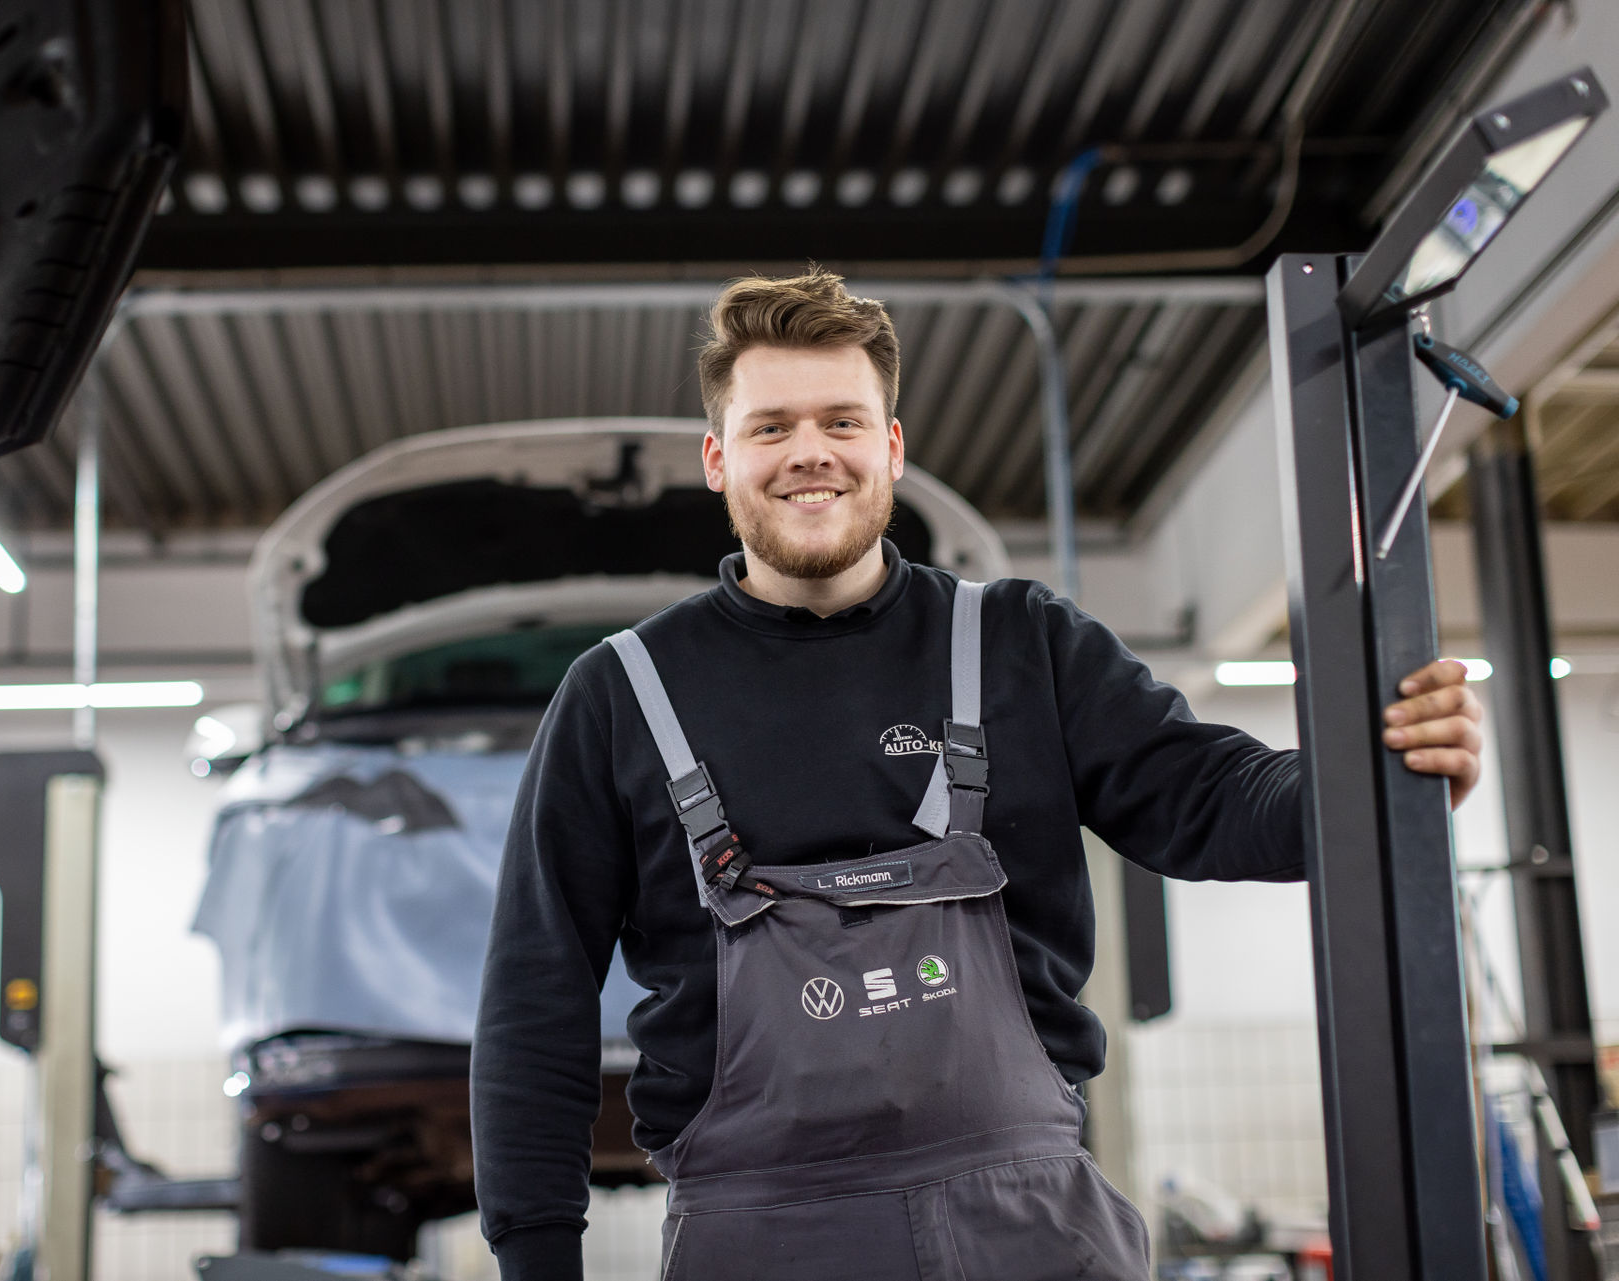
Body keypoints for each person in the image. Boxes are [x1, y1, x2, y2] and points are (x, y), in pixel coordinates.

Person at [469, 269, 1485, 1281]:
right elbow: (535, 996)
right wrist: (536, 1255)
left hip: (1030, 1232)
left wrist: (1375, 780)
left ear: (892, 447)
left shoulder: (1022, 643)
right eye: (770, 427)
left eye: (842, 421)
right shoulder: (619, 696)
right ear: (716, 458)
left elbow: (1209, 799)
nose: (809, 453)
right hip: (761, 1239)